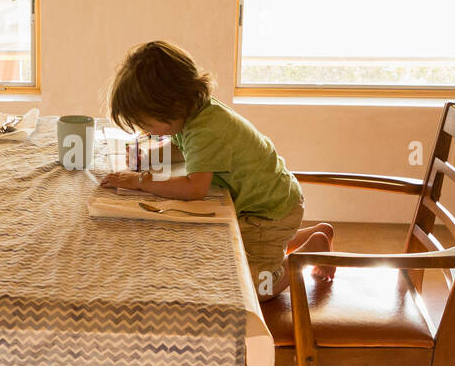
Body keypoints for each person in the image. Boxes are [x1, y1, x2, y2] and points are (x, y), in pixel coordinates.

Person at [99, 41, 332, 299]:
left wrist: (142, 181)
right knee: (228, 244)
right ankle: (311, 235)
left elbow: (194, 188)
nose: (146, 132)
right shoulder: (195, 114)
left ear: (172, 106)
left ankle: (308, 255)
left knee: (256, 289)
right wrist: (148, 158)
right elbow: (182, 148)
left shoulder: (205, 130)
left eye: (147, 124)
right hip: (273, 200)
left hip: (269, 213)